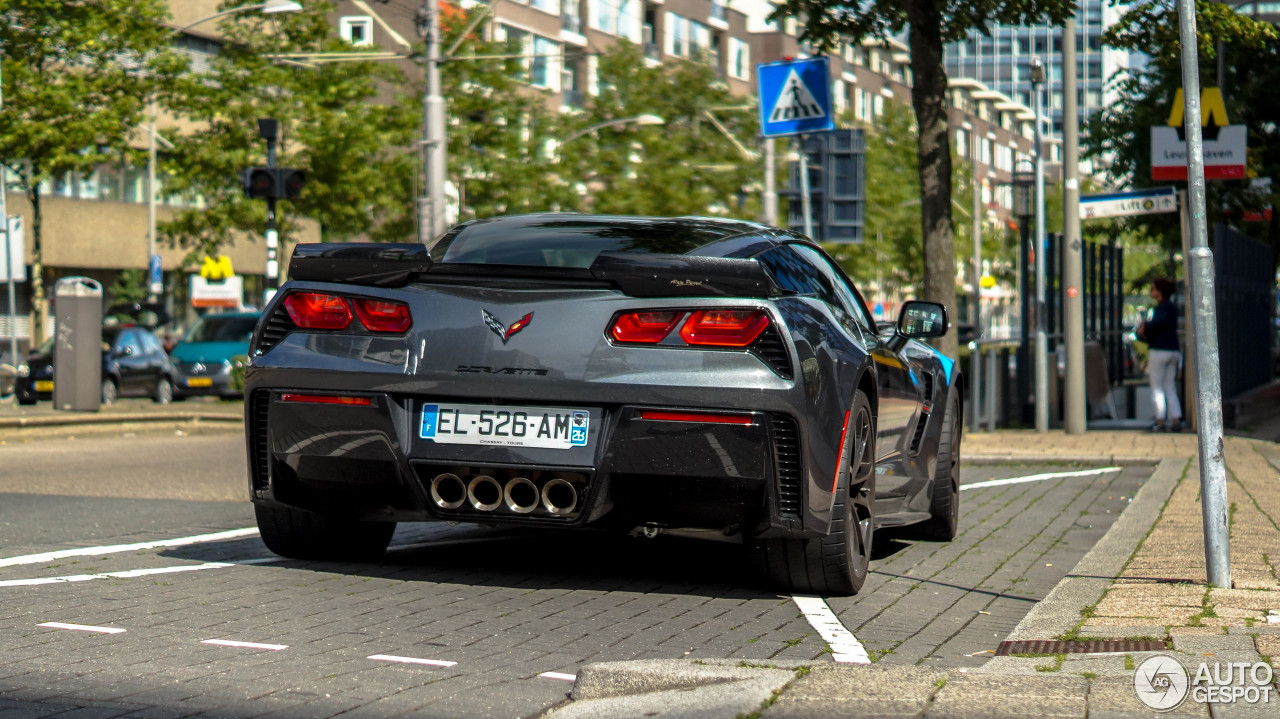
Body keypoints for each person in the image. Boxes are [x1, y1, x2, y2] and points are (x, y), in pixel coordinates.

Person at [1138, 278, 1182, 432]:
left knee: (1156, 387)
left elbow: (1156, 325)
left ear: (1160, 291)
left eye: (1153, 288)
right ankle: (1175, 418)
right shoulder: (1171, 308)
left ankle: (1160, 420)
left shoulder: (1162, 309)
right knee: (1170, 385)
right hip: (1173, 350)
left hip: (1158, 350)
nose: (1151, 291)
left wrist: (1145, 327)